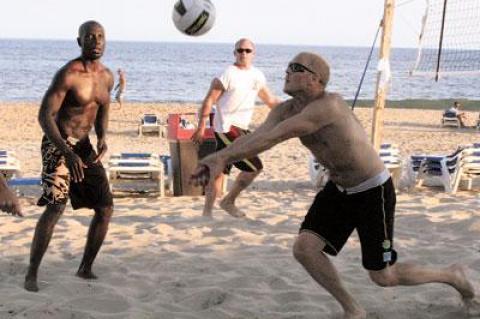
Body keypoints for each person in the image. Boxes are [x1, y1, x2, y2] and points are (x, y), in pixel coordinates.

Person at [191, 52, 480, 318]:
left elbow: (276, 137)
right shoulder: (283, 110)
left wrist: (223, 156)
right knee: (304, 249)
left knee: (383, 276)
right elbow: (258, 136)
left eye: (296, 68)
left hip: (372, 190)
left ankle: (453, 275)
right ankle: (353, 309)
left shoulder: (329, 105)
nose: (287, 72)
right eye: (288, 67)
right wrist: (218, 157)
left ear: (315, 78)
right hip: (338, 188)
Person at [24, 20, 114, 292]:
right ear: (80, 42)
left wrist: (103, 137)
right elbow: (44, 116)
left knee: (105, 208)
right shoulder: (69, 74)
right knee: (56, 207)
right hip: (58, 144)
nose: (96, 41)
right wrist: (65, 151)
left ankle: (85, 268)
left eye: (100, 37)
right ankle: (31, 274)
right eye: (89, 37)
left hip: (85, 146)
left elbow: (103, 108)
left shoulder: (107, 77)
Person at [191, 38, 280, 218]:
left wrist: (294, 110)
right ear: (234, 53)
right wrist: (201, 126)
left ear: (253, 54)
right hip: (226, 127)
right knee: (255, 166)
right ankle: (228, 201)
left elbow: (270, 101)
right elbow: (210, 99)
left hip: (242, 128)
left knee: (220, 171)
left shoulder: (257, 76)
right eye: (240, 50)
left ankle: (207, 213)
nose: (243, 54)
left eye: (247, 51)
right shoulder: (228, 74)